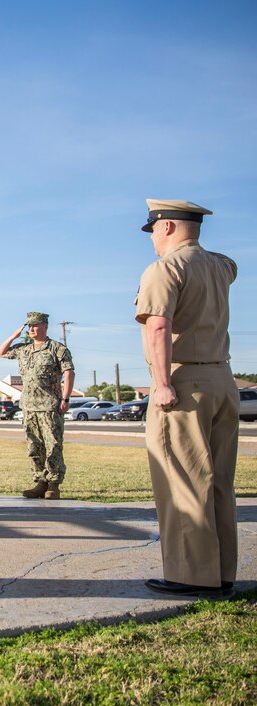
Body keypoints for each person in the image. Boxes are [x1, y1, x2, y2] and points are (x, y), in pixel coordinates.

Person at [135, 199, 238, 597]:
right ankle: (222, 571)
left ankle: (191, 575)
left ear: (166, 227)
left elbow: (159, 326)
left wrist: (161, 384)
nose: (153, 241)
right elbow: (231, 267)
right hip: (223, 378)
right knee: (219, 483)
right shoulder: (220, 266)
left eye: (153, 232)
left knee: (182, 479)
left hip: (185, 382)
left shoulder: (164, 269)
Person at [0, 311, 74, 499]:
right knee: (34, 446)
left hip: (49, 406)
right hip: (29, 406)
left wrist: (65, 399)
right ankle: (40, 481)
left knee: (53, 445)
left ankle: (53, 484)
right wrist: (14, 335)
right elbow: (1, 352)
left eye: (35, 325)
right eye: (29, 326)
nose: (31, 329)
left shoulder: (57, 348)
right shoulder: (24, 349)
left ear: (45, 326)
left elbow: (69, 372)